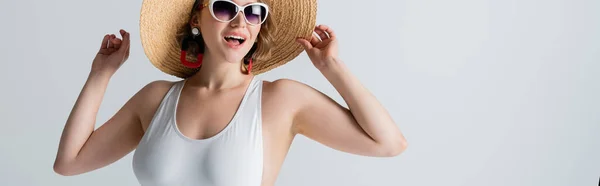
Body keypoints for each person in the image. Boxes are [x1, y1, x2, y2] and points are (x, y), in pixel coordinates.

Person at [53, 0, 408, 185]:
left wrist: (332, 68)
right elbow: (70, 163)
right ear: (197, 18)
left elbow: (389, 143)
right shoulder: (156, 98)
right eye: (225, 8)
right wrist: (101, 75)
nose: (241, 22)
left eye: (254, 12)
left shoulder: (280, 100)